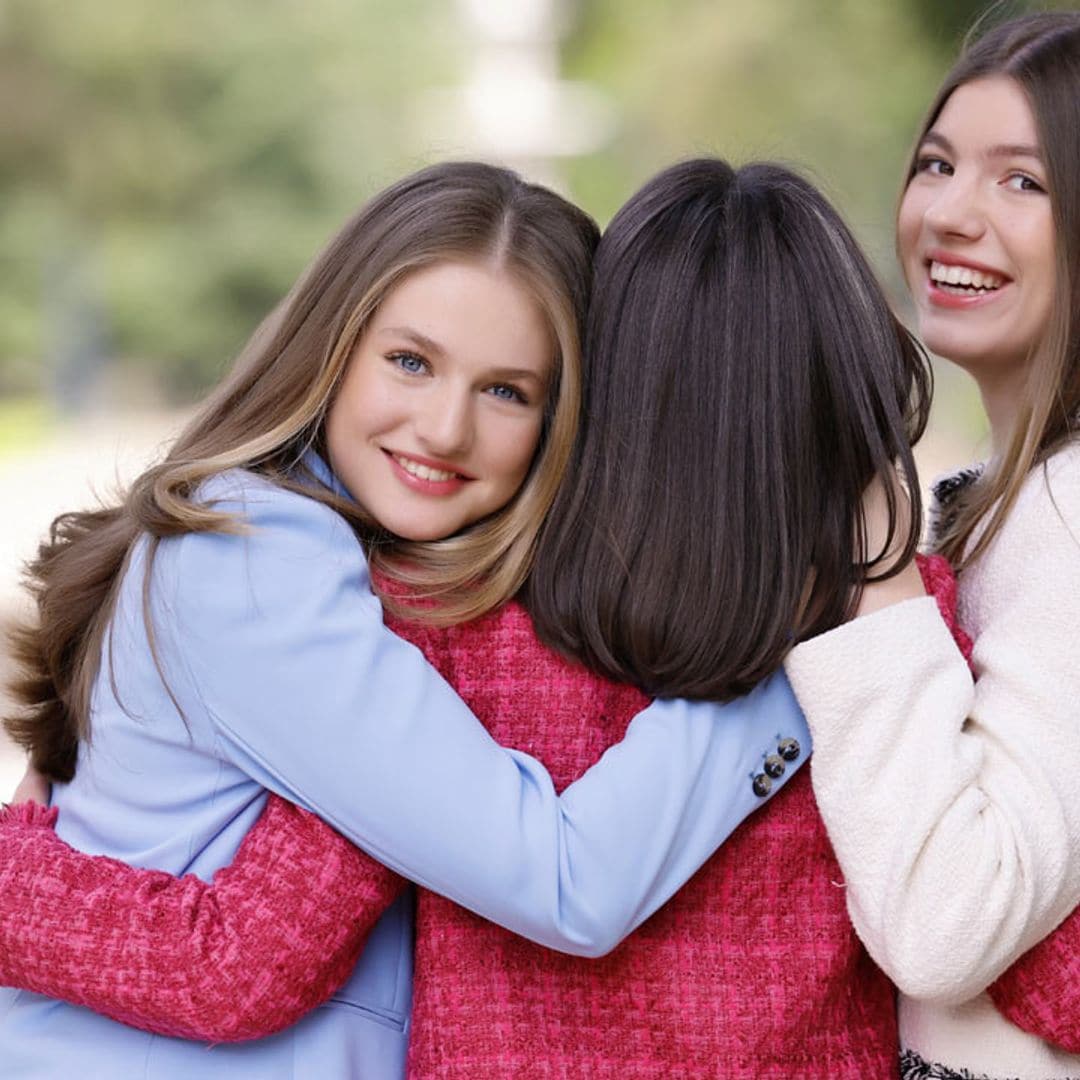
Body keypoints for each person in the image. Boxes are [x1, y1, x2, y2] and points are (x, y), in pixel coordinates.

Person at [2, 158, 972, 1078]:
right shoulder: (255, 562)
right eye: (411, 362)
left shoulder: (376, 569)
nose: (445, 429)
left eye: (507, 391)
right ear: (331, 347)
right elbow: (562, 882)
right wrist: (791, 624)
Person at [782, 11, 1080, 1079]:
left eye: (1024, 182)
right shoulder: (990, 503)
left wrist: (871, 537)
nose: (951, 214)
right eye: (939, 164)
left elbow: (945, 922)